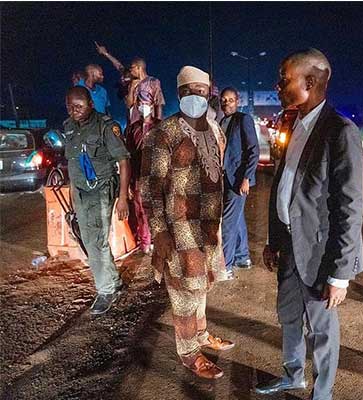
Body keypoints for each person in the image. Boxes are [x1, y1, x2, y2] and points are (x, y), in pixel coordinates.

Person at [256, 48, 363, 400]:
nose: (278, 86)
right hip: (289, 245)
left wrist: (340, 275)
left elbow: (350, 205)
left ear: (311, 81)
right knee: (288, 316)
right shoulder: (295, 123)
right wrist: (275, 240)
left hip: (320, 251)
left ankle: (322, 393)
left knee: (321, 330)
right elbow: (285, 188)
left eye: (284, 79)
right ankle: (292, 376)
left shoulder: (340, 131)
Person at [139, 66, 234, 380]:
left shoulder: (215, 130)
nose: (196, 96)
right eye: (189, 91)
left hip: (209, 228)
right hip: (179, 229)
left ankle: (203, 335)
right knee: (183, 293)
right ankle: (189, 352)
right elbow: (150, 188)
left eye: (202, 91)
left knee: (202, 286)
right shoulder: (163, 133)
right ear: (178, 93)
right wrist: (160, 231)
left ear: (210, 94)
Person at [61, 86, 131, 315]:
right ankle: (112, 280)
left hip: (101, 189)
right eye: (70, 106)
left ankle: (106, 290)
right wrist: (72, 194)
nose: (74, 110)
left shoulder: (105, 126)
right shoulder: (68, 127)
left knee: (96, 239)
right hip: (80, 190)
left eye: (79, 106)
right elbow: (72, 163)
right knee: (88, 238)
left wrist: (123, 198)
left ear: (90, 103)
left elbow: (123, 162)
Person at [219, 87, 259, 278]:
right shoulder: (222, 122)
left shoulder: (244, 120)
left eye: (231, 100)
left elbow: (254, 151)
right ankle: (243, 257)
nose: (227, 103)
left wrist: (246, 178)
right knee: (237, 219)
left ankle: (225, 267)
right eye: (224, 100)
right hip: (226, 179)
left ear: (238, 101)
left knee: (227, 222)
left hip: (238, 180)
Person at [124, 91, 160, 254]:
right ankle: (145, 242)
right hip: (139, 177)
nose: (143, 107)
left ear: (152, 106)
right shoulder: (132, 129)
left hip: (157, 178)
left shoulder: (161, 126)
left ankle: (158, 240)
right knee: (141, 212)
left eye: (146, 104)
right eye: (141, 104)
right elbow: (128, 156)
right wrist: (129, 182)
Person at [127, 57, 165, 124]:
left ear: (139, 68)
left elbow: (159, 102)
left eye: (132, 67)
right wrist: (131, 88)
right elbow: (129, 105)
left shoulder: (153, 82)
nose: (130, 70)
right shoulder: (132, 84)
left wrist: (158, 122)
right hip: (136, 123)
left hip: (150, 122)